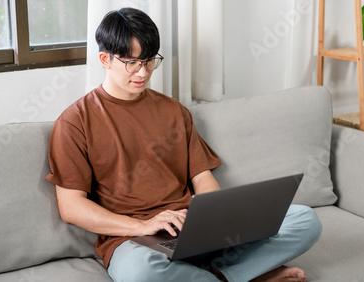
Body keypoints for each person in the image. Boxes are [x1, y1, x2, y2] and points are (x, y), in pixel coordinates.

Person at [46, 7, 322, 282]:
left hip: (192, 231)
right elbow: (72, 207)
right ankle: (242, 275)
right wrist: (144, 224)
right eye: (132, 62)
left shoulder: (173, 111)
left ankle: (221, 273)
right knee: (140, 274)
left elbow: (202, 178)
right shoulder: (75, 122)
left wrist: (212, 221)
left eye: (150, 60)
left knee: (305, 220)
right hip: (134, 240)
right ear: (105, 59)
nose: (143, 72)